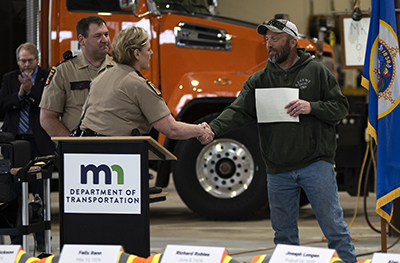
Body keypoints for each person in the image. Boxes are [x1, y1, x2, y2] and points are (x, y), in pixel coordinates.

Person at [198, 19, 357, 263]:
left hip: (316, 165)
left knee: (334, 228)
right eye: (267, 39)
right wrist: (212, 128)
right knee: (284, 236)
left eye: (276, 39)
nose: (269, 44)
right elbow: (237, 111)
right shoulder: (258, 80)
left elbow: (340, 107)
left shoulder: (315, 72)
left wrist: (311, 106)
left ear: (293, 42)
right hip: (278, 170)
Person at [79, 25, 213, 141]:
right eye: (148, 49)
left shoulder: (99, 78)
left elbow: (84, 115)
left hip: (86, 152)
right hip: (118, 156)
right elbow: (171, 128)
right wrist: (200, 130)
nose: (151, 53)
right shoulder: (137, 84)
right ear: (137, 53)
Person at [0, 42, 54, 251]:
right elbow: (3, 105)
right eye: (23, 60)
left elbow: (49, 103)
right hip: (15, 144)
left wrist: (31, 91)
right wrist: (20, 94)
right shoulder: (9, 78)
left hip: (39, 143)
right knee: (13, 195)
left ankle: (41, 242)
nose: (27, 64)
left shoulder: (48, 76)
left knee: (40, 194)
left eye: (30, 60)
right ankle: (16, 245)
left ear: (37, 59)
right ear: (17, 61)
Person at [39, 15, 115, 137]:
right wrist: (72, 145)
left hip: (117, 147)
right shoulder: (63, 71)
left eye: (106, 34)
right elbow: (47, 118)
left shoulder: (120, 68)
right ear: (81, 40)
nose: (105, 39)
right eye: (98, 36)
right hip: (79, 150)